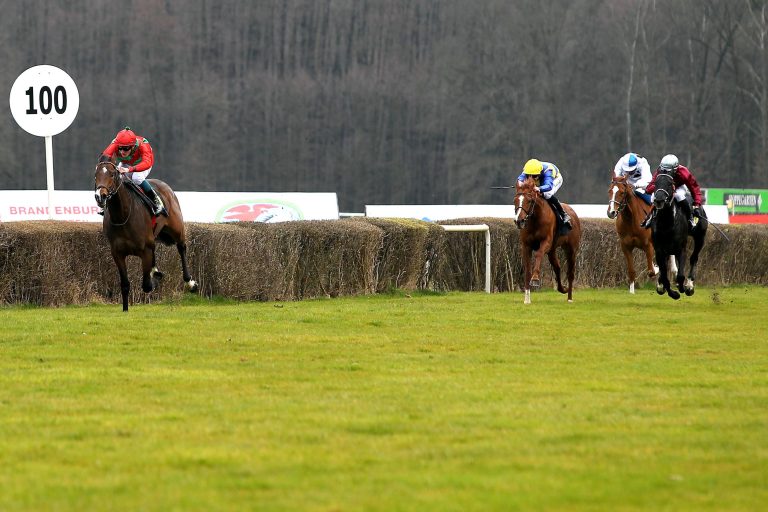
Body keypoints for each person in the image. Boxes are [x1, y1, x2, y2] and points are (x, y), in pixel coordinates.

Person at [98, 126, 165, 216]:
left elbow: (147, 163)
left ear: (133, 146)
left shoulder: (143, 145)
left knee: (136, 177)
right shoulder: (115, 143)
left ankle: (156, 201)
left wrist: (129, 169)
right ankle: (106, 203)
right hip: (126, 163)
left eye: (126, 148)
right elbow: (105, 156)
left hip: (143, 164)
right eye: (120, 148)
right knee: (115, 176)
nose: (122, 151)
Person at [640, 154, 703, 229]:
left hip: (678, 187)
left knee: (679, 196)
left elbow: (694, 188)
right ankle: (650, 217)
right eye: (663, 170)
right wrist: (657, 188)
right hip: (665, 188)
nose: (665, 172)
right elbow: (651, 186)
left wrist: (697, 204)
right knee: (653, 197)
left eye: (668, 171)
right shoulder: (660, 170)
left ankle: (690, 218)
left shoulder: (684, 172)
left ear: (675, 169)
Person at [517, 158, 572, 228]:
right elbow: (519, 180)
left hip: (555, 179)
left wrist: (539, 188)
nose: (531, 178)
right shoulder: (528, 170)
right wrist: (521, 185)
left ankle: (563, 214)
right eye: (528, 175)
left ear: (539, 173)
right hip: (541, 178)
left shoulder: (548, 171)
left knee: (547, 195)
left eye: (534, 176)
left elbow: (549, 186)